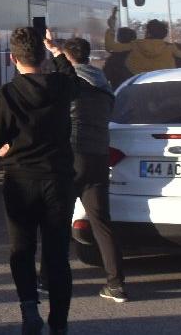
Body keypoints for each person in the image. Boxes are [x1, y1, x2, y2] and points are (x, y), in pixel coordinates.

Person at [0, 27, 75, 335]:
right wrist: (57, 51)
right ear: (43, 56)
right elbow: (70, 73)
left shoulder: (7, 94)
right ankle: (58, 322)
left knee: (21, 249)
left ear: (12, 58)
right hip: (58, 180)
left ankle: (29, 307)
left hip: (20, 180)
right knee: (57, 255)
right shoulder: (62, 86)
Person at [44, 33, 127, 303]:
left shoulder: (69, 83)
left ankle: (49, 280)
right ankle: (116, 284)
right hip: (99, 156)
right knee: (101, 222)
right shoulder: (104, 85)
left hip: (72, 155)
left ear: (68, 57)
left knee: (57, 221)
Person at [103, 9, 181, 75]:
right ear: (164, 35)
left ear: (148, 33)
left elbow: (111, 47)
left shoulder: (135, 45)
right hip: (162, 86)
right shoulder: (170, 48)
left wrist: (111, 27)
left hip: (138, 85)